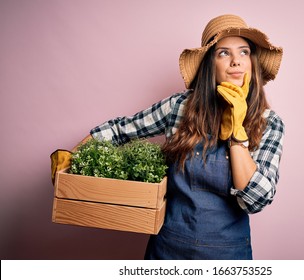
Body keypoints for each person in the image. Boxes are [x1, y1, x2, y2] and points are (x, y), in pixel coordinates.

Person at [51, 14, 284, 260]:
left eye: (244, 52)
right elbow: (121, 130)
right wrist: (74, 154)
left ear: (252, 62)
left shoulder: (268, 123)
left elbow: (255, 200)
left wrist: (238, 133)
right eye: (223, 53)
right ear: (209, 64)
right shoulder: (180, 107)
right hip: (168, 251)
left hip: (228, 256)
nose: (236, 61)